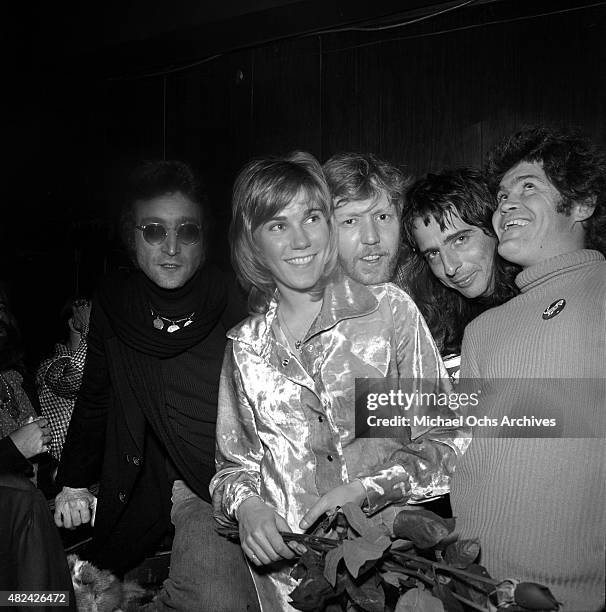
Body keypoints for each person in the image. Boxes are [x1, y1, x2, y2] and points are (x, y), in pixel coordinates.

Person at [211, 152, 469, 611]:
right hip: (287, 582)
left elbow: (444, 439)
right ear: (253, 244)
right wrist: (246, 507)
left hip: (389, 567)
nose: (300, 239)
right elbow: (233, 468)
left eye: (312, 216)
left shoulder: (388, 313)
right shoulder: (245, 347)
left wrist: (367, 491)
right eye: (277, 225)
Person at [53, 161, 256, 611]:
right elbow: (96, 393)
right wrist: (74, 482)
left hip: (223, 482)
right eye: (153, 230)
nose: (171, 247)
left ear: (205, 240)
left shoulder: (235, 295)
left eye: (187, 231)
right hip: (153, 481)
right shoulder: (116, 299)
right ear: (131, 237)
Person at [451, 127, 606, 610]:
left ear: (581, 205)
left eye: (528, 188)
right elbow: (458, 441)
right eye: (502, 195)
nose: (506, 206)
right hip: (467, 587)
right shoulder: (483, 329)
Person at [398, 169, 518, 374]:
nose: (450, 268)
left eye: (460, 240)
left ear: (495, 226)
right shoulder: (437, 320)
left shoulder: (538, 299)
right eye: (433, 253)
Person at [0, 285, 76, 607]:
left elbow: (40, 461)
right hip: (16, 503)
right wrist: (13, 449)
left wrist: (70, 485)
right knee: (22, 498)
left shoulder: (15, 379)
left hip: (28, 505)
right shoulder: (51, 367)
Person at [323, 152, 409, 285]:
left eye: (382, 217)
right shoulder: (301, 302)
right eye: (350, 221)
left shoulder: (424, 294)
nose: (371, 238)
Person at [36, 298, 91, 461]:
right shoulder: (51, 365)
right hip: (63, 475)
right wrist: (88, 328)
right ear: (74, 323)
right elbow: (73, 380)